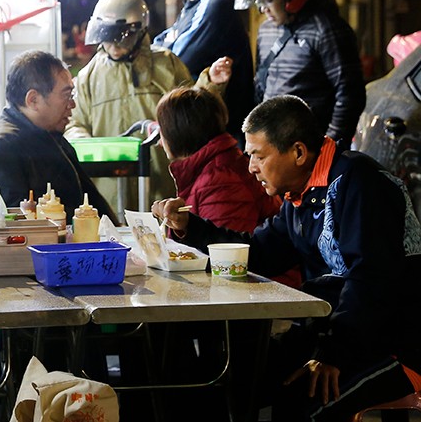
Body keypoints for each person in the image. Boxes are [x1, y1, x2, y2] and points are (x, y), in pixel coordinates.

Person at [153, 95, 421, 422]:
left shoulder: (360, 183)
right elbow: (259, 253)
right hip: (340, 333)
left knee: (300, 402)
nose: (251, 167)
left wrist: (333, 355)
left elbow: (371, 279)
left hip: (395, 343)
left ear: (297, 152)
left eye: (258, 156)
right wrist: (189, 226)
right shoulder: (300, 196)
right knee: (241, 377)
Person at [65, 0, 231, 207]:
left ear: (139, 31)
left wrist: (210, 83)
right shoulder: (89, 75)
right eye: (107, 39)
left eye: (120, 39)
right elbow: (74, 123)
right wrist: (90, 147)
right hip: (109, 191)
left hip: (161, 184)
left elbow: (192, 112)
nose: (113, 46)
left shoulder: (166, 64)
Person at [235, 0, 366, 148]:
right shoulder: (266, 30)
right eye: (259, 3)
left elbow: (350, 93)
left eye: (268, 0)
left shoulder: (326, 29)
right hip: (274, 145)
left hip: (311, 146)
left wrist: (331, 144)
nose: (263, 10)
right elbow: (262, 84)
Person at [0, 49, 117, 223]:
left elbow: (92, 205)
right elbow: (12, 228)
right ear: (33, 100)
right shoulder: (1, 149)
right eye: (66, 95)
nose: (72, 104)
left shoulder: (52, 138)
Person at [154, 0, 256, 139]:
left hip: (225, 130)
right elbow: (160, 43)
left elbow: (176, 59)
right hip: (209, 126)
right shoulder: (194, 5)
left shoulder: (214, 5)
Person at [155, 86, 280, 234]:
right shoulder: (213, 167)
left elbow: (225, 252)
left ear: (177, 132)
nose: (159, 138)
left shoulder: (222, 179)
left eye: (161, 128)